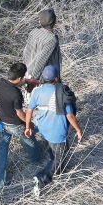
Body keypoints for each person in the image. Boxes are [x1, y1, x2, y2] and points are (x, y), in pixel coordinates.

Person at [25, 65, 83, 196]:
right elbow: (70, 115)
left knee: (54, 152)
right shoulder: (62, 92)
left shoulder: (37, 91)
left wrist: (28, 127)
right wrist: (78, 129)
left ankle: (59, 170)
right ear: (56, 77)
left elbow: (29, 110)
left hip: (43, 128)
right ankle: (41, 178)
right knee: (59, 157)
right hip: (57, 132)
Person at [0, 62, 42, 188]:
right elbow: (20, 114)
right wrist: (29, 124)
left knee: (2, 151)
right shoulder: (16, 94)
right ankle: (37, 160)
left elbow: (17, 82)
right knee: (30, 143)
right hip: (15, 126)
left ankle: (0, 180)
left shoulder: (0, 83)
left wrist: (29, 81)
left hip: (1, 124)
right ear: (20, 78)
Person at [23, 8, 61, 84]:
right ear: (55, 21)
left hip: (28, 73)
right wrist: (33, 80)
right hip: (43, 78)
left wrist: (27, 73)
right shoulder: (51, 39)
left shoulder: (33, 32)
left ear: (40, 22)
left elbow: (26, 53)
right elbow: (41, 62)